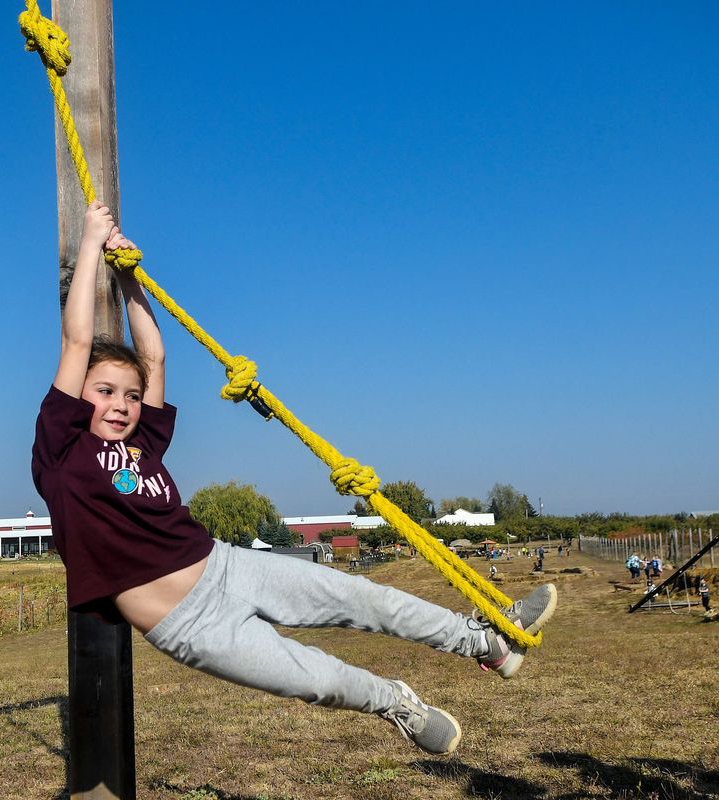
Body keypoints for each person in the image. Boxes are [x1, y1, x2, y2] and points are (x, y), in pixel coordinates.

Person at [31, 201, 558, 758]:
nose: (121, 405)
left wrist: (127, 275)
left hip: (227, 566)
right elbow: (77, 344)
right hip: (187, 626)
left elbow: (154, 358)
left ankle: (485, 641)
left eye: (130, 396)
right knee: (315, 679)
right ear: (78, 396)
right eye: (105, 392)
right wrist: (91, 241)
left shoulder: (143, 444)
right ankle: (397, 704)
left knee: (363, 597)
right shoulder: (62, 453)